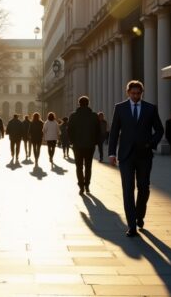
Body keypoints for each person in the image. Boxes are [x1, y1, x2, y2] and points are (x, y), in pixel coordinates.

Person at [108, 80, 164, 238]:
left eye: (138, 94)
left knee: (144, 187)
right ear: (128, 93)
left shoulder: (150, 108)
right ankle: (131, 225)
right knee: (127, 190)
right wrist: (111, 153)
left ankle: (140, 215)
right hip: (125, 156)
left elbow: (159, 129)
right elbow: (114, 132)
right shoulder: (120, 108)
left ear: (141, 93)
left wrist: (151, 143)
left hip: (144, 155)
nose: (135, 96)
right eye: (133, 93)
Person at [68, 96, 101, 195]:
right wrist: (95, 142)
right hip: (90, 145)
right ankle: (87, 185)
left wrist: (72, 141)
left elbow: (69, 130)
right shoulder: (94, 116)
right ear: (88, 103)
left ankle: (81, 186)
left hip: (77, 145)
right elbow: (98, 131)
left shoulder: (73, 116)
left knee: (78, 166)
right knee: (88, 166)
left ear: (79, 104)